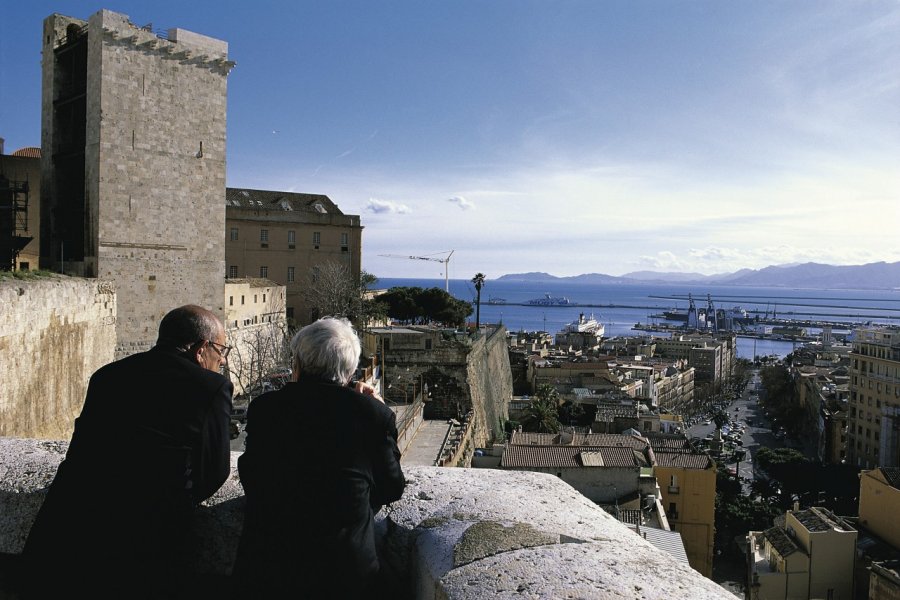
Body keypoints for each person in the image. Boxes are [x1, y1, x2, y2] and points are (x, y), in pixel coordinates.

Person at [21, 305, 234, 598]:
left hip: (68, 527)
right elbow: (214, 471)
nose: (222, 360)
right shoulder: (211, 388)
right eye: (221, 350)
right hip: (144, 540)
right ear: (201, 349)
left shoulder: (106, 375)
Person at [233, 317, 406, 598]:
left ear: (297, 365)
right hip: (344, 576)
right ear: (350, 372)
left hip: (266, 570)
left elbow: (251, 475)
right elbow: (392, 487)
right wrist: (377, 412)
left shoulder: (264, 410)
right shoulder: (372, 416)